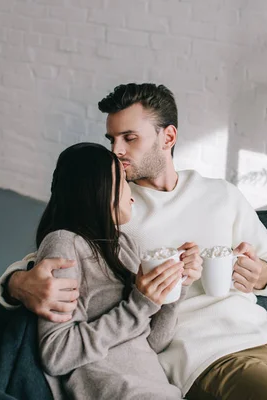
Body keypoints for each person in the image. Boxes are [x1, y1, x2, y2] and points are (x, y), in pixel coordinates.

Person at [0, 83, 267, 399]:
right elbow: (54, 251)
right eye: (112, 138)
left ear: (168, 137)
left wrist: (262, 275)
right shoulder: (114, 207)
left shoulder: (219, 194)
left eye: (129, 138)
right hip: (210, 361)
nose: (117, 149)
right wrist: (17, 283)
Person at [33, 142, 183, 399]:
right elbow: (57, 354)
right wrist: (139, 306)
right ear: (99, 188)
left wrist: (172, 291)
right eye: (124, 181)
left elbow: (152, 343)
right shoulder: (64, 244)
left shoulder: (123, 245)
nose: (132, 195)